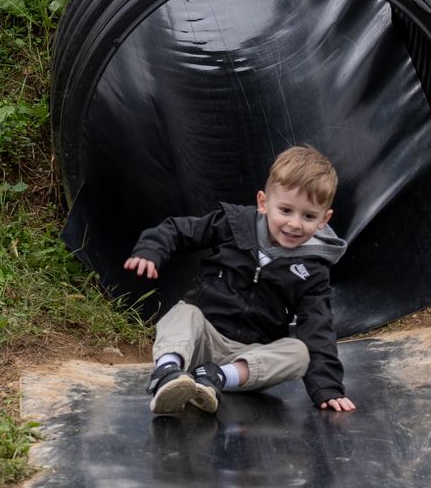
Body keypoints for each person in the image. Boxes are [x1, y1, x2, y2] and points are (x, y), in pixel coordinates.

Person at [122, 145, 356, 416]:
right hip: (203, 338)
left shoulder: (313, 270)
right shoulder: (236, 225)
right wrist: (152, 250)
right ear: (263, 203)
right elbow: (181, 230)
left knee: (299, 353)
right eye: (286, 210)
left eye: (308, 216)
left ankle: (214, 378)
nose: (294, 224)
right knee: (184, 313)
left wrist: (327, 388)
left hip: (248, 359)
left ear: (323, 220)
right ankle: (168, 372)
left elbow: (318, 328)